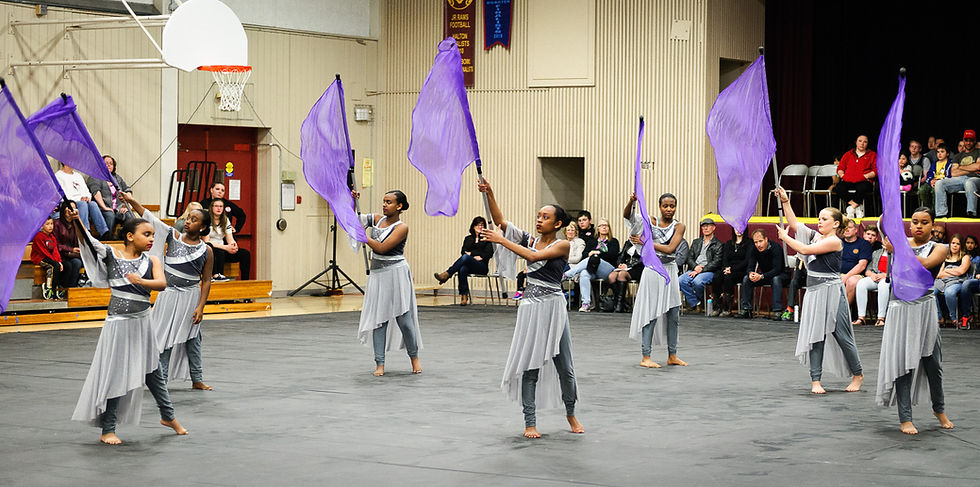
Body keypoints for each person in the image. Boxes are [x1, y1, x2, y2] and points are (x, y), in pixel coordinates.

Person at [477, 179, 583, 439]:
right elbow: (501, 221)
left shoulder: (562, 245)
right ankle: (530, 421)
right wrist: (490, 193)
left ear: (557, 224)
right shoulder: (529, 239)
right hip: (530, 309)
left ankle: (570, 412)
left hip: (553, 308)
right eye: (538, 216)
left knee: (565, 368)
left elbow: (533, 257)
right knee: (530, 366)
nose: (539, 220)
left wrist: (502, 241)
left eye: (545, 217)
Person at [69, 211, 186, 445]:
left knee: (153, 372)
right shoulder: (112, 255)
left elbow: (162, 284)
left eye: (153, 235)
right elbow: (88, 242)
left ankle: (168, 416)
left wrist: (142, 281)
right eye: (147, 234)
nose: (152, 239)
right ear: (130, 236)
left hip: (142, 322)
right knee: (116, 374)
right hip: (118, 326)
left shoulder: (152, 260)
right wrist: (77, 221)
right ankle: (108, 429)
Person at [775, 187, 864, 394]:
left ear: (835, 224)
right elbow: (796, 225)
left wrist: (784, 238)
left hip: (831, 291)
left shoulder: (834, 241)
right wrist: (786, 202)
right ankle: (816, 380)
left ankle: (857, 373)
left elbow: (804, 250)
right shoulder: (816, 236)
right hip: (815, 291)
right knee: (816, 336)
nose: (820, 221)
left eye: (824, 219)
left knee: (841, 335)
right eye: (819, 218)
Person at [123, 193, 215, 392]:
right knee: (163, 338)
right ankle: (161, 380)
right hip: (169, 295)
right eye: (189, 218)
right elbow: (150, 219)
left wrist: (200, 306)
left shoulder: (206, 250)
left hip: (190, 297)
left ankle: (197, 378)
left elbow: (206, 280)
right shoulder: (173, 236)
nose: (189, 222)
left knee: (193, 339)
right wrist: (132, 201)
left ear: (203, 228)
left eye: (194, 220)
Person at [876, 207, 954, 435]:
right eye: (915, 221)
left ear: (933, 226)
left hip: (924, 308)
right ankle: (905, 417)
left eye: (924, 222)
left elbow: (925, 264)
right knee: (903, 365)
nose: (919, 226)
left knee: (933, 365)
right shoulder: (899, 242)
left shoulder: (940, 247)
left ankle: (938, 409)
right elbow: (882, 223)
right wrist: (890, 197)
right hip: (900, 308)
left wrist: (898, 249)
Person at [353, 190, 422, 377]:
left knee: (404, 320)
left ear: (399, 206)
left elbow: (383, 248)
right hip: (378, 276)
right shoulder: (376, 219)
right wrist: (353, 200)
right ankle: (380, 363)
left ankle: (414, 357)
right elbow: (353, 219)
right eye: (383, 201)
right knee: (378, 320)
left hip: (396, 274)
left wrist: (364, 237)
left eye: (389, 202)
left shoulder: (402, 227)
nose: (384, 205)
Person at [627, 193, 687, 368]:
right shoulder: (650, 222)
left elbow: (670, 249)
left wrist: (647, 242)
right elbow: (628, 217)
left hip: (670, 270)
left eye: (672, 206)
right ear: (660, 206)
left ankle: (672, 355)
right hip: (653, 270)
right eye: (665, 206)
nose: (669, 209)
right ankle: (646, 356)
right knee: (651, 313)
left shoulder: (679, 226)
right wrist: (631, 202)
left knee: (673, 314)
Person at [434, 216, 494, 306]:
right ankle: (464, 296)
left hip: (482, 266)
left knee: (466, 258)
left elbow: (489, 253)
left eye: (482, 225)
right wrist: (476, 255)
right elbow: (463, 252)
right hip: (470, 265)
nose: (480, 227)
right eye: (478, 225)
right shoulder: (468, 239)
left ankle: (447, 274)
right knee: (462, 268)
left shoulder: (487, 239)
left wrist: (472, 254)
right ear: (473, 227)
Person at [563, 218, 619, 312]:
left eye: (606, 225)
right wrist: (590, 254)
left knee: (594, 257)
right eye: (602, 225)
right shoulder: (592, 241)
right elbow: (584, 254)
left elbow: (612, 255)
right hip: (592, 269)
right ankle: (586, 303)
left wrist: (597, 253)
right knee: (584, 273)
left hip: (606, 269)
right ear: (598, 228)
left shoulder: (613, 241)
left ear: (609, 228)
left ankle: (567, 274)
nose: (604, 227)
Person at [737, 229, 787, 320]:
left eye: (760, 241)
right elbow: (750, 265)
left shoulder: (776, 248)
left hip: (781, 274)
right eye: (756, 242)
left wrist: (761, 276)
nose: (758, 245)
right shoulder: (754, 249)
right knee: (746, 279)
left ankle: (777, 311)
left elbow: (777, 269)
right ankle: (746, 309)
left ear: (766, 239)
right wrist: (750, 273)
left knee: (776, 279)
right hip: (765, 275)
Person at [55, 163, 110, 239]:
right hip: (68, 203)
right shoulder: (58, 176)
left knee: (93, 204)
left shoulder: (78, 176)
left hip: (82, 201)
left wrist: (87, 197)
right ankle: (85, 232)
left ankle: (104, 232)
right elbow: (60, 194)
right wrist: (79, 199)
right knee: (82, 204)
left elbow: (87, 191)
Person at [679, 217, 722, 313]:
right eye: (703, 226)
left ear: (714, 228)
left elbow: (717, 262)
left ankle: (700, 302)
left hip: (709, 271)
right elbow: (689, 258)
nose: (705, 228)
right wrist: (695, 267)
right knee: (681, 280)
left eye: (708, 226)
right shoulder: (696, 242)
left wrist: (701, 270)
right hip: (695, 268)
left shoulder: (718, 244)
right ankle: (696, 303)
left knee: (698, 282)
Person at [935, 131, 980, 217]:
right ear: (963, 140)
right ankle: (941, 214)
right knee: (939, 183)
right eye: (966, 140)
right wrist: (971, 169)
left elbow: (978, 167)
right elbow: (953, 173)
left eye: (971, 140)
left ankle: (971, 213)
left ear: (974, 141)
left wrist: (960, 167)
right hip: (960, 179)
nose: (968, 143)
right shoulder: (958, 156)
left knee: (969, 182)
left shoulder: (978, 152)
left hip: (976, 178)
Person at [204, 199, 251, 281]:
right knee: (216, 250)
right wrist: (225, 247)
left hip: (223, 248)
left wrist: (233, 246)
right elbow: (206, 241)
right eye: (216, 206)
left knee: (245, 254)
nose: (219, 208)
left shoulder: (225, 220)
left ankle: (245, 281)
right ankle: (216, 275)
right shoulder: (207, 220)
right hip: (209, 250)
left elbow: (230, 239)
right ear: (211, 208)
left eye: (221, 206)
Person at [87, 154, 133, 236]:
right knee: (110, 215)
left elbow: (127, 189)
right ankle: (107, 239)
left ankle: (125, 238)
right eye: (106, 163)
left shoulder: (117, 178)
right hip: (102, 208)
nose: (109, 165)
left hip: (118, 209)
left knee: (128, 215)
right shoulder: (95, 177)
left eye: (111, 163)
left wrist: (127, 206)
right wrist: (105, 207)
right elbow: (96, 192)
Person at [833, 135, 878, 218]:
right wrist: (843, 175)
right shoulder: (848, 154)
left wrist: (866, 176)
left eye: (865, 142)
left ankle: (851, 208)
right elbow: (840, 168)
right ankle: (855, 206)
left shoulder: (872, 155)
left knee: (862, 188)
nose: (862, 144)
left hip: (864, 181)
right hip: (848, 180)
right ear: (856, 142)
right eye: (860, 141)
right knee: (838, 188)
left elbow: (876, 170)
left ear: (867, 144)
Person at [934, 234, 971, 327]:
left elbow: (961, 271)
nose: (954, 245)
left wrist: (946, 271)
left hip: (958, 281)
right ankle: (939, 317)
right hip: (942, 281)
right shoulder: (945, 257)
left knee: (949, 292)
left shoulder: (965, 257)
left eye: (957, 244)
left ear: (961, 246)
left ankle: (953, 317)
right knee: (930, 292)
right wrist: (953, 271)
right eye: (953, 243)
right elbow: (939, 274)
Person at [711, 228, 748, 317]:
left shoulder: (749, 243)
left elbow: (747, 261)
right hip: (727, 269)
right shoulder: (728, 243)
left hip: (741, 270)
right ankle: (717, 306)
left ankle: (727, 308)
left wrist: (732, 269)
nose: (738, 230)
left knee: (728, 278)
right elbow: (724, 259)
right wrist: (726, 268)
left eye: (741, 227)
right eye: (736, 228)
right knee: (716, 276)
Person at [853, 242, 890, 327]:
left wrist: (886, 275)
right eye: (885, 240)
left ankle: (881, 318)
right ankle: (861, 317)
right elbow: (868, 269)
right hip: (876, 276)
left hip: (889, 278)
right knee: (861, 283)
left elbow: (900, 270)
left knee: (883, 285)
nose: (886, 242)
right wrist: (872, 275)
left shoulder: (898, 254)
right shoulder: (876, 253)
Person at [30, 215, 64, 300]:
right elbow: (43, 251)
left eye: (52, 224)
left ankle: (55, 287)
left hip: (49, 257)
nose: (50, 226)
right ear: (42, 226)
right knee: (54, 266)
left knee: (58, 265)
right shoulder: (38, 236)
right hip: (40, 257)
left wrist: (59, 261)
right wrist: (55, 262)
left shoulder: (52, 237)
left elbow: (55, 250)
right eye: (47, 224)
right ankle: (48, 287)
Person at [52, 201, 83, 289]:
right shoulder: (57, 224)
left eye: (73, 208)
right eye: (69, 207)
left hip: (72, 255)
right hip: (60, 254)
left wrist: (78, 220)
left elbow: (80, 240)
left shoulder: (75, 224)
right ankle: (63, 288)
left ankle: (71, 289)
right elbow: (55, 244)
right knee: (68, 265)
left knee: (77, 263)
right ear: (63, 210)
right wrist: (71, 250)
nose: (71, 210)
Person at [840, 220, 872, 306]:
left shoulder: (864, 244)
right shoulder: (837, 243)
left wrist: (846, 277)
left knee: (852, 281)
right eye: (844, 228)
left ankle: (845, 312)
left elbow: (862, 265)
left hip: (857, 275)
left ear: (856, 230)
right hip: (838, 274)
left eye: (849, 228)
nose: (846, 230)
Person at [956, 235, 980, 329]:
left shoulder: (978, 258)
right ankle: (967, 315)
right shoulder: (961, 256)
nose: (969, 245)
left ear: (976, 245)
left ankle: (974, 314)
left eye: (972, 243)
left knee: (967, 284)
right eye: (967, 243)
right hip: (964, 280)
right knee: (966, 284)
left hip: (976, 280)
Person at [919, 143, 951, 212]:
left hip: (942, 183)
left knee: (935, 191)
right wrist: (931, 180)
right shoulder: (934, 163)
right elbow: (929, 173)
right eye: (938, 152)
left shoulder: (950, 163)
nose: (939, 154)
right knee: (922, 190)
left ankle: (934, 212)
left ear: (947, 154)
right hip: (932, 182)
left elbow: (949, 176)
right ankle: (927, 210)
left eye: (942, 152)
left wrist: (937, 181)